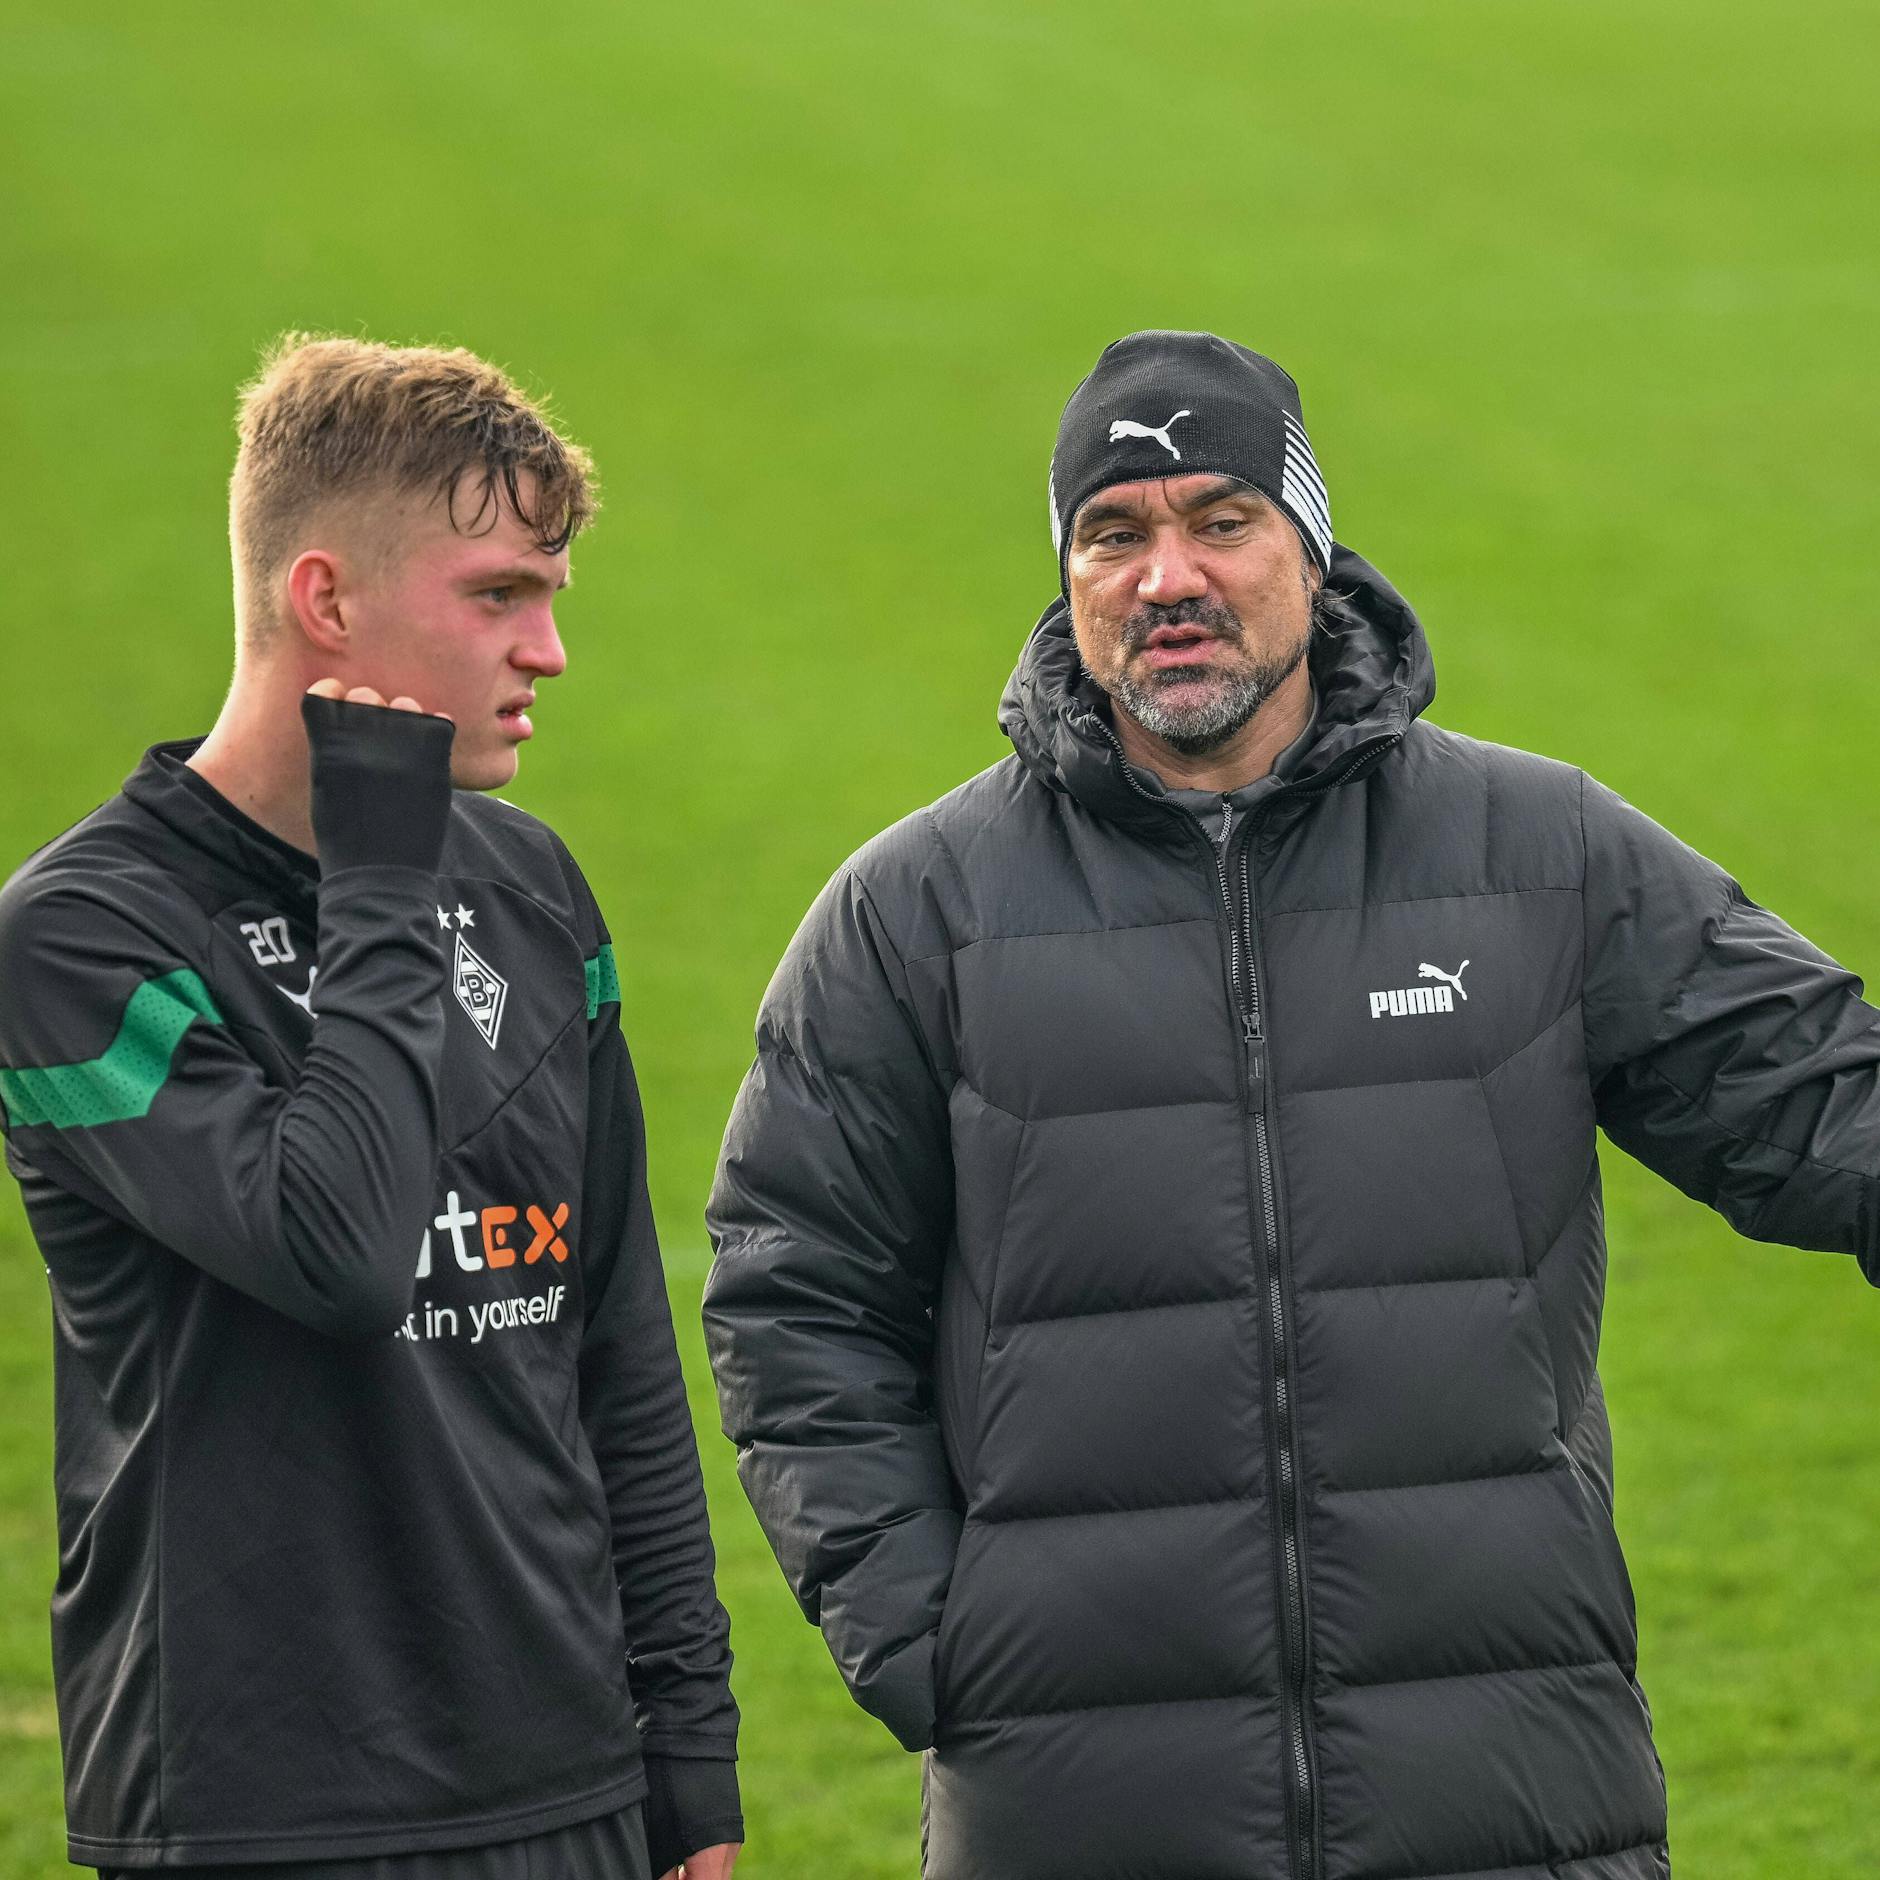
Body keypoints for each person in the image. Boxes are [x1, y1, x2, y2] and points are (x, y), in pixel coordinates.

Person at [702, 328, 1880, 1880]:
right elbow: (794, 1302)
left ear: (1312, 555)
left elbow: (1821, 1104)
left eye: (1222, 518)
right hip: (1084, 1812)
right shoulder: (916, 916)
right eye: (1112, 533)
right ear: (1065, 577)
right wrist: (935, 1643)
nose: (1165, 576)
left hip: (1507, 1794)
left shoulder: (1538, 853)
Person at [0, 336, 742, 1880]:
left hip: (568, 1787)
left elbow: (611, 1345)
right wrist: (386, 867)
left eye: (547, 596)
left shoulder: (535, 895)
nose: (545, 652)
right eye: (496, 596)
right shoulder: (80, 941)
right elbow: (339, 1249)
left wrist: (687, 1748)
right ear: (324, 601)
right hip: (265, 1812)